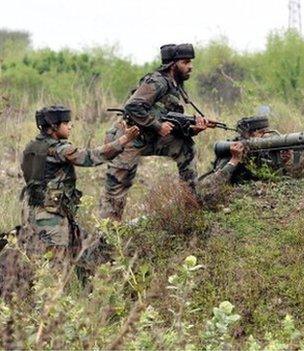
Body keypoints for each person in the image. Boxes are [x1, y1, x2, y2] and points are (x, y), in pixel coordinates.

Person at [0, 105, 139, 295]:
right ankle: (48, 313)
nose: (70, 126)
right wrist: (124, 140)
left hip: (43, 216)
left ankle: (92, 297)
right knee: (55, 273)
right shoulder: (57, 149)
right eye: (65, 123)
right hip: (52, 221)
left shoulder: (33, 147)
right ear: (53, 126)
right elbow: (90, 157)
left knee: (86, 255)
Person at [99, 43, 216, 221]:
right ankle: (107, 235)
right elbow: (133, 106)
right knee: (116, 189)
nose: (190, 66)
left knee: (186, 148)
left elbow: (171, 121)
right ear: (172, 65)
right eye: (185, 62)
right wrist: (158, 126)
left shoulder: (176, 85)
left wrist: (194, 129)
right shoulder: (157, 81)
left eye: (190, 62)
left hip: (150, 137)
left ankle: (191, 207)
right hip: (128, 138)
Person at [209, 115, 297, 184]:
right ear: (248, 135)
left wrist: (283, 161)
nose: (266, 136)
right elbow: (213, 184)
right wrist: (234, 160)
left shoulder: (265, 152)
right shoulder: (234, 151)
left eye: (267, 132)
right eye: (261, 133)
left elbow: (273, 179)